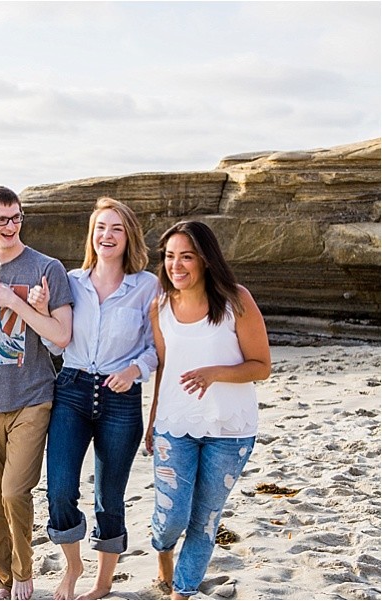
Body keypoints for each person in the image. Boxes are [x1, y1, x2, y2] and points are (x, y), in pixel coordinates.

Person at [33, 198, 159, 600]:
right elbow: (56, 342)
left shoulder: (147, 286)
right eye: (101, 227)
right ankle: (73, 566)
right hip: (71, 389)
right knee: (59, 490)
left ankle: (103, 584)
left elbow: (156, 347)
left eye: (116, 228)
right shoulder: (71, 281)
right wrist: (41, 312)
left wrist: (134, 370)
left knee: (110, 498)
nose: (107, 235)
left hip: (121, 397)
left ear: (129, 236)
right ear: (91, 235)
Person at [0, 184, 73, 601]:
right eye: (1, 219)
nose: (10, 226)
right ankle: (3, 580)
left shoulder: (47, 269)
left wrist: (18, 303)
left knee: (14, 492)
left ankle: (24, 573)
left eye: (16, 217)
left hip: (32, 397)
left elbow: (61, 338)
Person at [144, 220, 271, 600]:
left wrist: (215, 373)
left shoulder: (236, 300)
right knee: (171, 517)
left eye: (186, 256)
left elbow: (261, 366)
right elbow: (164, 368)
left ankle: (181, 592)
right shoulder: (160, 306)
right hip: (173, 426)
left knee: (204, 519)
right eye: (170, 256)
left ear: (205, 259)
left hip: (230, 431)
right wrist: (152, 420)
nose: (176, 265)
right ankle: (163, 555)